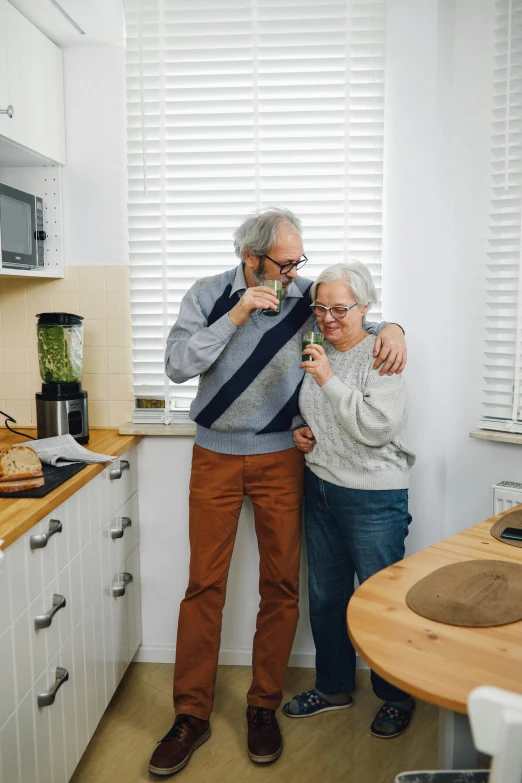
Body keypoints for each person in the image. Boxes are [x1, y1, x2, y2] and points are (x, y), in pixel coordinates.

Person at [148, 208, 407, 777]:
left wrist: (394, 327)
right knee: (204, 585)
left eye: (298, 263)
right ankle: (191, 715)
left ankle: (262, 705)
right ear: (251, 258)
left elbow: (354, 310)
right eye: (285, 264)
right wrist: (237, 314)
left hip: (282, 458)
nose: (295, 274)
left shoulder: (304, 294)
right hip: (215, 455)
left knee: (282, 585)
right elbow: (174, 365)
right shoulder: (208, 295)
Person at [284, 261, 416, 739]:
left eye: (340, 308)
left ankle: (396, 697)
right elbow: (324, 417)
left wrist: (326, 380)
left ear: (365, 308)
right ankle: (334, 686)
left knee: (379, 602)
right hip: (320, 487)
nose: (328, 317)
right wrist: (304, 432)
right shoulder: (318, 348)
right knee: (326, 598)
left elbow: (376, 426)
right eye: (320, 307)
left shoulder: (382, 355)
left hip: (373, 498)